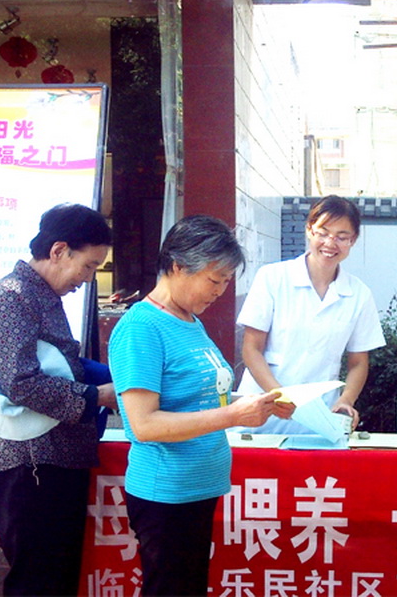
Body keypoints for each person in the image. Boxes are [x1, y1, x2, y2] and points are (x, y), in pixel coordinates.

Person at [108, 215, 280, 597]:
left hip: (196, 487)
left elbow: (200, 397)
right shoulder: (142, 327)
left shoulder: (188, 319)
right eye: (214, 280)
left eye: (226, 281)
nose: (220, 291)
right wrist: (233, 415)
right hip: (166, 493)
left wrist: (256, 404)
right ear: (177, 266)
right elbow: (144, 425)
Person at [0, 203, 116, 596]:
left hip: (55, 462)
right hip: (30, 468)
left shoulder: (41, 297)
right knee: (37, 583)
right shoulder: (11, 296)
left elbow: (60, 369)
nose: (88, 278)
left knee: (57, 580)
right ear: (58, 251)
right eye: (88, 266)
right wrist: (96, 396)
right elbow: (21, 383)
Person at [236, 195, 386, 434]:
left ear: (353, 240)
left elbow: (358, 362)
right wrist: (279, 396)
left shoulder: (359, 294)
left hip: (319, 418)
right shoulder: (272, 278)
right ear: (309, 230)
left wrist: (346, 399)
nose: (330, 243)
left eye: (342, 237)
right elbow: (251, 349)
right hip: (261, 411)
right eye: (323, 233)